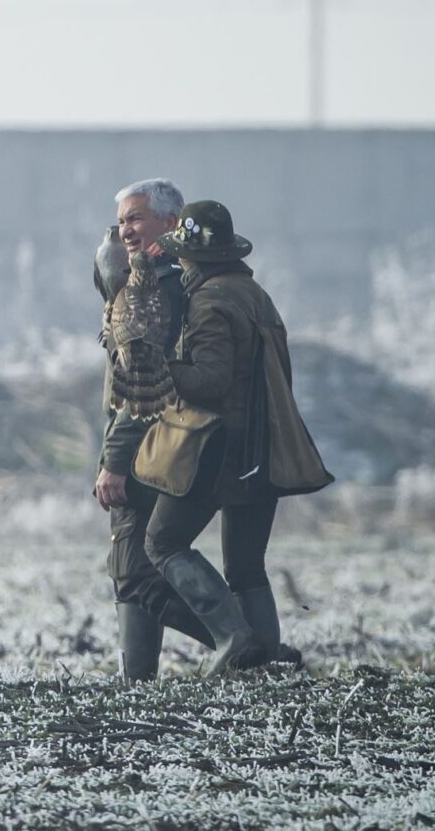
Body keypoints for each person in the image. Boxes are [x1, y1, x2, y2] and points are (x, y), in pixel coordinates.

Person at [136, 200, 333, 671]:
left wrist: (161, 368)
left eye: (183, 256)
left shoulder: (209, 303)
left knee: (162, 542)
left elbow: (211, 380)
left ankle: (231, 638)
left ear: (195, 259)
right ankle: (264, 663)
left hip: (217, 450)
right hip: (264, 451)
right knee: (246, 567)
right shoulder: (254, 295)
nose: (180, 264)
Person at [90, 178, 223, 680]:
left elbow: (142, 385)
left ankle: (244, 643)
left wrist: (115, 460)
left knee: (135, 573)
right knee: (132, 570)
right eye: (120, 221)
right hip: (152, 446)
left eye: (136, 218)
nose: (125, 230)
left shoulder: (159, 288)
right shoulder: (154, 281)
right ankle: (137, 682)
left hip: (153, 449)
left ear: (170, 223)